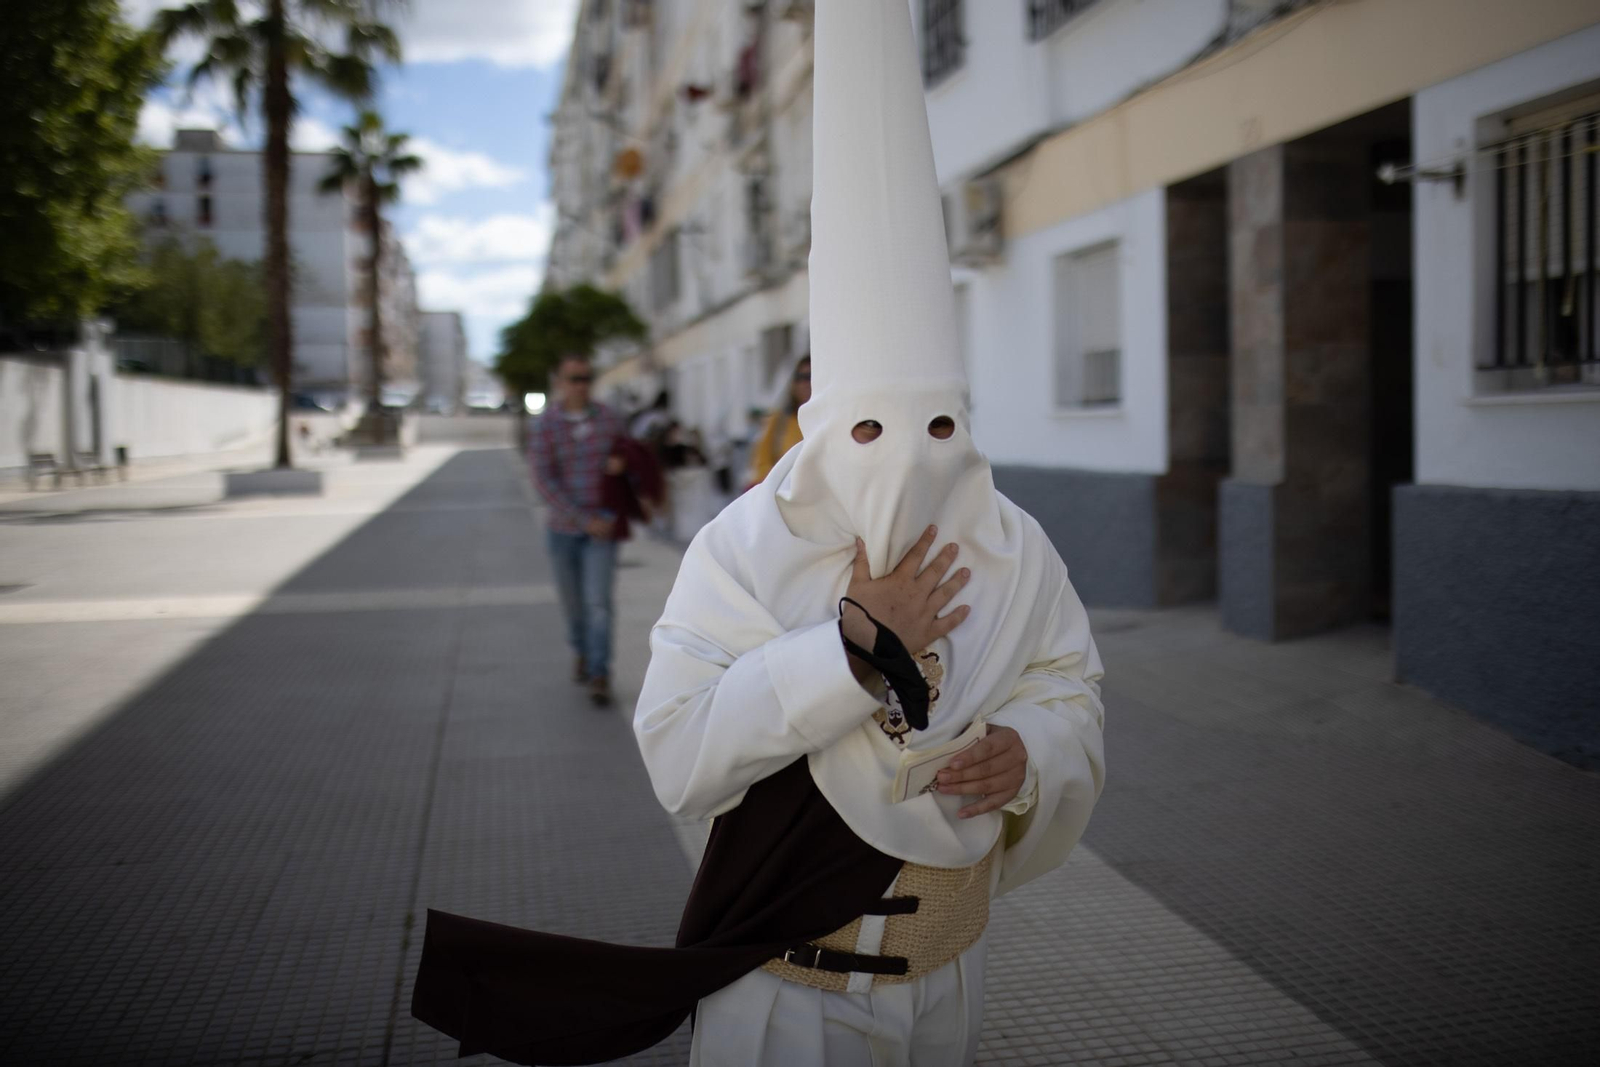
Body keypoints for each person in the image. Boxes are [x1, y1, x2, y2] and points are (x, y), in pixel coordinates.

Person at [410, 2, 1105, 1063]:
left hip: (951, 980)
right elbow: (680, 755)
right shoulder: (744, 547)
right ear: (822, 422)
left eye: (937, 425)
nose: (906, 457)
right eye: (870, 428)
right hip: (786, 993)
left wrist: (1033, 755)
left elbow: (1069, 686)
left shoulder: (1016, 546)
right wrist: (850, 646)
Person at [526, 352, 648, 707]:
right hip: (564, 529)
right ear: (560, 382)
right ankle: (580, 649)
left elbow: (628, 462)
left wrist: (624, 469)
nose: (581, 385)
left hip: (603, 527)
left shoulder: (608, 419)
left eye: (586, 377)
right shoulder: (547, 424)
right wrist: (581, 519)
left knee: (598, 602)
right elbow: (543, 480)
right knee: (573, 603)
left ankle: (599, 671)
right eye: (574, 378)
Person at [748, 354, 810, 486]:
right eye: (801, 378)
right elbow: (761, 463)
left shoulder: (829, 419)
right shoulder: (779, 421)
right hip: (786, 495)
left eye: (810, 377)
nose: (806, 384)